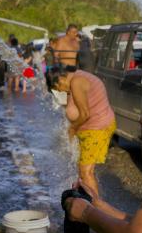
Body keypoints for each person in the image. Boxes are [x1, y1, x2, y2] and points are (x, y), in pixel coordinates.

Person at [46, 64, 116, 198]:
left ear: (60, 80)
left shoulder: (77, 82)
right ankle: (89, 199)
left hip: (97, 129)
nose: (61, 92)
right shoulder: (76, 76)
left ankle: (96, 209)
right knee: (86, 170)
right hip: (95, 127)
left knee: (85, 172)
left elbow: (85, 114)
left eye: (57, 88)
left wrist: (72, 129)